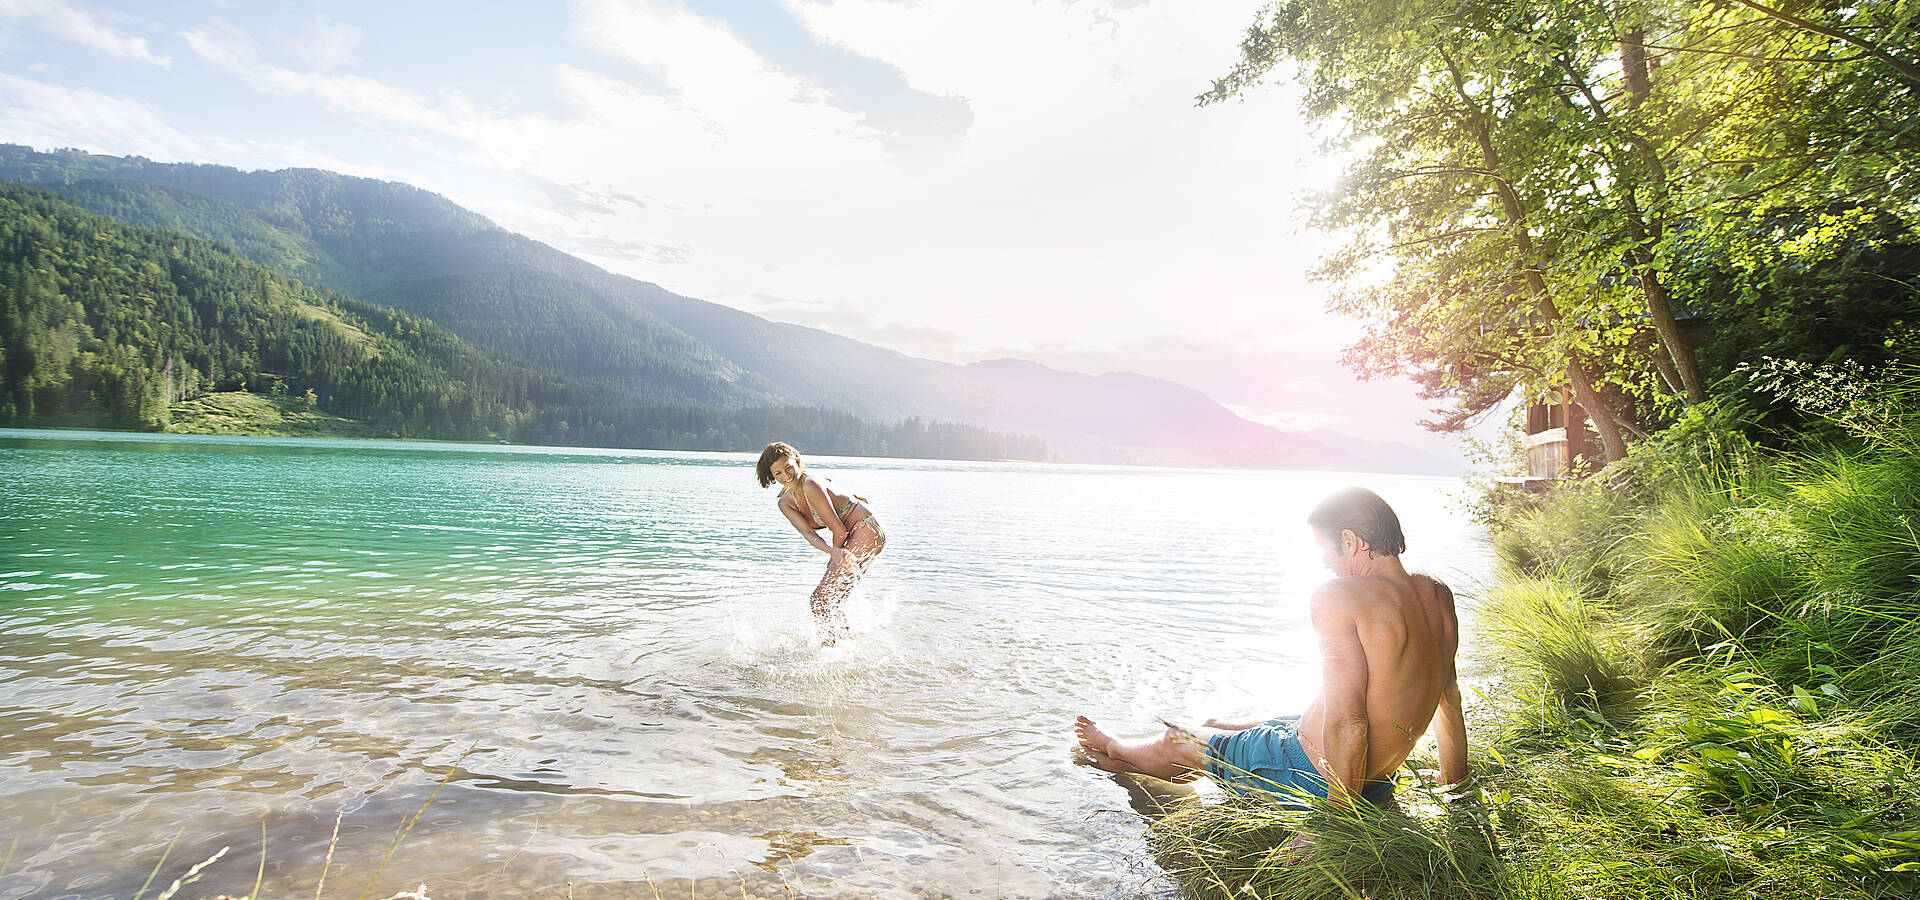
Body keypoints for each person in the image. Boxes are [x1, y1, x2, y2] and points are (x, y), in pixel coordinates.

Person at [1073, 486, 1468, 826]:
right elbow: (1448, 701)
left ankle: (1115, 748)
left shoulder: (1339, 596)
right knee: (1216, 724)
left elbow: (1351, 724)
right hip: (1371, 777)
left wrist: (1335, 825)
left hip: (1314, 773)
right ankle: (1130, 770)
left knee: (1180, 739)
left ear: (1350, 541)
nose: (1324, 563)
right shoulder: (1435, 594)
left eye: (1324, 550)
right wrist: (1457, 793)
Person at [756, 442, 886, 643]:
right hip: (852, 535)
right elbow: (808, 534)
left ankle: (830, 650)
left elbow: (839, 530)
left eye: (788, 467)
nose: (786, 475)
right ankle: (843, 649)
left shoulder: (811, 484)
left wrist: (834, 554)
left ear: (797, 460)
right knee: (829, 600)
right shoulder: (785, 502)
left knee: (820, 599)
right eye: (778, 473)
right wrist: (830, 552)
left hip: (866, 528)